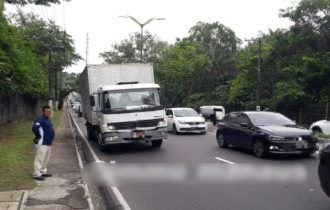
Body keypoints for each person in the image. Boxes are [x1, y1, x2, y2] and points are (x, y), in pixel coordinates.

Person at [32, 105, 55, 181]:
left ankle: (42, 171)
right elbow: (34, 128)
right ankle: (36, 174)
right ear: (43, 112)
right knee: (39, 158)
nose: (48, 112)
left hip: (48, 143)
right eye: (46, 111)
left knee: (46, 159)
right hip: (42, 143)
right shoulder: (40, 119)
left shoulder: (48, 119)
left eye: (49, 111)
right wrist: (39, 136)